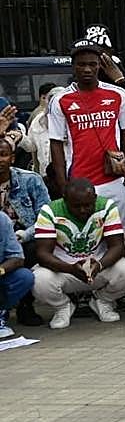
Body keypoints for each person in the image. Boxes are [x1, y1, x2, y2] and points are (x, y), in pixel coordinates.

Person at [48, 33, 125, 212]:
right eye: (82, 64)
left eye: (92, 64)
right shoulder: (60, 100)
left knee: (118, 235)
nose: (87, 69)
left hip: (115, 180)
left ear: (100, 65)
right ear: (73, 67)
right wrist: (63, 184)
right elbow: (56, 143)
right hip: (79, 183)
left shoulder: (118, 94)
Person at [32, 177, 125, 329]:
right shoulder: (49, 211)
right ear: (65, 200)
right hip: (64, 269)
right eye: (76, 206)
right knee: (37, 280)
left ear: (95, 198)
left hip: (98, 266)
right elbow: (42, 254)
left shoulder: (106, 206)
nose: (82, 210)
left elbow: (117, 246)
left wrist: (99, 265)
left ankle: (102, 301)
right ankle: (63, 307)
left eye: (88, 205)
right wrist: (71, 268)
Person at [0, 135, 49, 326]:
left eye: (3, 155)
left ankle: (25, 305)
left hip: (25, 237)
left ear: (12, 158)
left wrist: (25, 234)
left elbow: (46, 219)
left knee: (33, 249)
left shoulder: (31, 180)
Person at [84, 24, 125, 162]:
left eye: (101, 52)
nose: (98, 58)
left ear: (110, 52)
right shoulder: (85, 81)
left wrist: (120, 81)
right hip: (97, 154)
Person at [0, 212, 34, 338]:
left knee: (24, 277)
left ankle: (1, 313)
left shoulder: (2, 219)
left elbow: (17, 258)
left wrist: (0, 270)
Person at [20, 82, 60, 177]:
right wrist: (20, 136)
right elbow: (31, 146)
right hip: (44, 176)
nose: (53, 104)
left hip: (68, 175)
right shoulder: (38, 120)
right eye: (50, 99)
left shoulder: (72, 120)